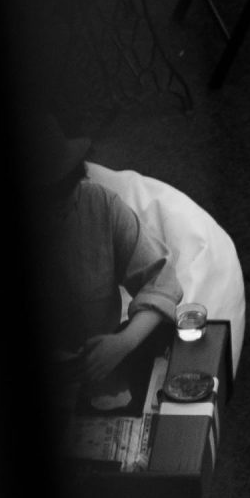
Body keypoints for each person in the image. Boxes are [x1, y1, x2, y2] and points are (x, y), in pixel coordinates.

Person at [32, 113, 183, 395]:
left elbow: (161, 281)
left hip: (107, 370)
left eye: (70, 190)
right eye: (50, 204)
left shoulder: (99, 204)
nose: (66, 207)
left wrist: (124, 342)